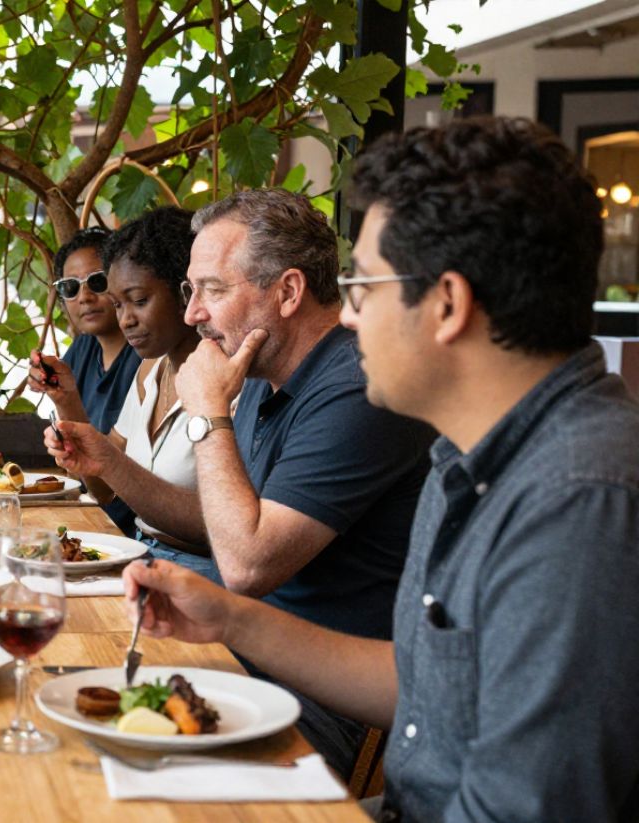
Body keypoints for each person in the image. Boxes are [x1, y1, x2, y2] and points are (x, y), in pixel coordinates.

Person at [123, 116, 639, 822]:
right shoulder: (468, 456)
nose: (351, 317)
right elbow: (426, 683)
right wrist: (232, 619)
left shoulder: (579, 498)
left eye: (364, 285)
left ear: (449, 304)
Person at [47, 188, 435, 773]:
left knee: (85, 757)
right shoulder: (254, 374)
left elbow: (248, 565)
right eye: (190, 290)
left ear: (288, 291)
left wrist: (205, 412)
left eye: (214, 290)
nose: (193, 313)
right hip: (242, 652)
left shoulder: (354, 386)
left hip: (320, 696)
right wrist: (115, 463)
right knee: (59, 680)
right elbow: (221, 524)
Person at [28, 208, 204, 553]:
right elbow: (105, 487)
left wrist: (107, 461)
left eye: (138, 301)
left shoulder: (233, 382)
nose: (126, 320)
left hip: (193, 564)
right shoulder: (149, 370)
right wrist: (67, 405)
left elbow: (226, 528)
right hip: (136, 547)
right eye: (118, 304)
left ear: (186, 292)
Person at [29, 226, 141, 535]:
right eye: (70, 287)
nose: (85, 297)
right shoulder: (83, 347)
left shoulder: (148, 354)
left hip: (128, 526)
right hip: (91, 510)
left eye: (97, 281)